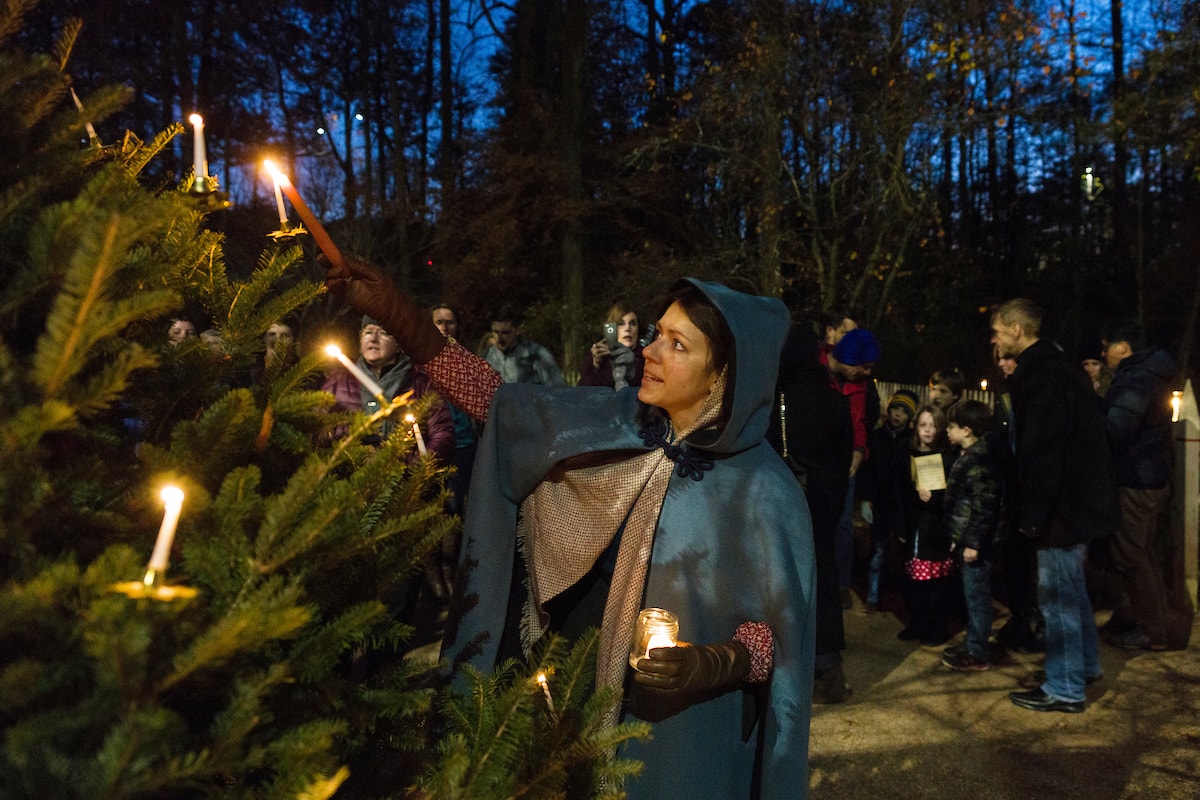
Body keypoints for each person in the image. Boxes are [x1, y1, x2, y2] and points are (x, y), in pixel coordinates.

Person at [323, 254, 817, 799]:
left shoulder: (766, 492)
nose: (649, 351)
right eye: (656, 334)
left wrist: (714, 661)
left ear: (726, 373)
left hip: (679, 732)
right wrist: (398, 313)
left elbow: (782, 640)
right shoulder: (618, 419)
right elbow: (499, 402)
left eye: (678, 345)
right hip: (567, 696)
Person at [991, 298, 1117, 713]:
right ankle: (1085, 666)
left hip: (1061, 510)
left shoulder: (1040, 374)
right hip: (1080, 503)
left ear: (1016, 329)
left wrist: (1033, 515)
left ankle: (1064, 686)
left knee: (1057, 597)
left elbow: (1042, 451)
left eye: (997, 331)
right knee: (1073, 590)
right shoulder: (1061, 368)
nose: (994, 339)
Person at [767, 319, 854, 704]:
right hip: (821, 506)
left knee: (782, 582)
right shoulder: (836, 400)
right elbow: (841, 460)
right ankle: (829, 669)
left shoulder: (772, 401)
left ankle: (783, 670)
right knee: (823, 579)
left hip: (783, 511)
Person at [1098, 320, 1179, 651]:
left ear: (1123, 347)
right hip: (1145, 474)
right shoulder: (1147, 374)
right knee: (1138, 551)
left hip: (1138, 477)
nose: (1103, 355)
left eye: (1106, 347)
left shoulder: (1138, 379)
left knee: (1131, 553)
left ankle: (1153, 630)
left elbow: (1117, 428)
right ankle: (1142, 616)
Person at [941, 400, 1004, 672]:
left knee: (977, 597)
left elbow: (983, 506)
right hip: (968, 539)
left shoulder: (979, 460)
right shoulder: (971, 455)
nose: (947, 431)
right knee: (972, 595)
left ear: (966, 430)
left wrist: (973, 543)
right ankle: (973, 644)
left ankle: (978, 652)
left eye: (951, 427)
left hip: (976, 545)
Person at [821, 327, 881, 608]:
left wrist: (860, 450)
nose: (867, 373)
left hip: (847, 463)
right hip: (820, 460)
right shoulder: (817, 371)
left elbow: (861, 422)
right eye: (864, 366)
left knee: (843, 524)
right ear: (847, 359)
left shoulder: (860, 384)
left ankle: (841, 584)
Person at [895, 404, 958, 647]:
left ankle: (937, 627)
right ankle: (917, 623)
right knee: (914, 580)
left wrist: (936, 498)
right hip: (913, 528)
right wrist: (900, 525)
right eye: (924, 425)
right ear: (916, 427)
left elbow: (955, 496)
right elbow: (898, 493)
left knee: (937, 581)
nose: (928, 430)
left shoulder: (948, 458)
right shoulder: (905, 455)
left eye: (933, 425)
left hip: (937, 529)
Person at [861, 389, 918, 614]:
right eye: (895, 408)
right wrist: (866, 499)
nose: (897, 415)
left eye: (904, 411)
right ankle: (873, 597)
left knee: (906, 555)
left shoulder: (911, 442)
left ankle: (908, 601)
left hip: (903, 507)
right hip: (882, 504)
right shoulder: (877, 438)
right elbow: (868, 471)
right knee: (878, 552)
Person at [483, 303, 565, 385]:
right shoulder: (487, 355)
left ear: (519, 330)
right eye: (496, 332)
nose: (499, 339)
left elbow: (558, 392)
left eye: (505, 333)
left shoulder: (538, 355)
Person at [580, 301, 644, 389]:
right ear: (611, 328)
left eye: (632, 323)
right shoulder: (597, 355)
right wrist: (595, 366)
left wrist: (633, 369)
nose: (628, 328)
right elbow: (582, 393)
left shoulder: (646, 356)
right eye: (621, 324)